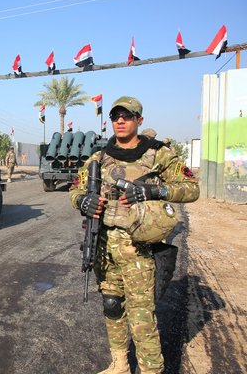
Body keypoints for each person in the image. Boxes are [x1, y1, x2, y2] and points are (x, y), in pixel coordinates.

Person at [69, 96, 199, 373]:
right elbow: (75, 189)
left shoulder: (158, 153)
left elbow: (191, 188)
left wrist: (154, 191)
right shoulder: (98, 157)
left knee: (142, 317)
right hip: (104, 245)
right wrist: (83, 201)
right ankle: (119, 364)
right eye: (115, 116)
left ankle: (152, 369)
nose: (120, 120)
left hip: (139, 247)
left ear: (139, 120)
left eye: (127, 116)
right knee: (112, 304)